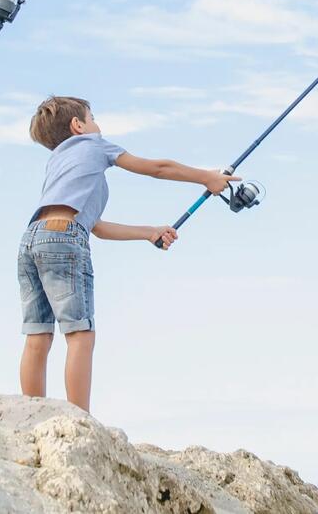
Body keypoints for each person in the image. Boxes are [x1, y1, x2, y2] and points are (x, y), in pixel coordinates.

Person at [16, 97, 238, 412]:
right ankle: (79, 419)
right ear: (78, 126)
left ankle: (29, 415)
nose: (96, 124)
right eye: (92, 117)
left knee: (38, 335)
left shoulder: (57, 162)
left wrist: (148, 232)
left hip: (32, 240)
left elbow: (96, 227)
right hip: (64, 238)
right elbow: (158, 169)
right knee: (80, 333)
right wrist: (207, 177)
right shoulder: (94, 145)